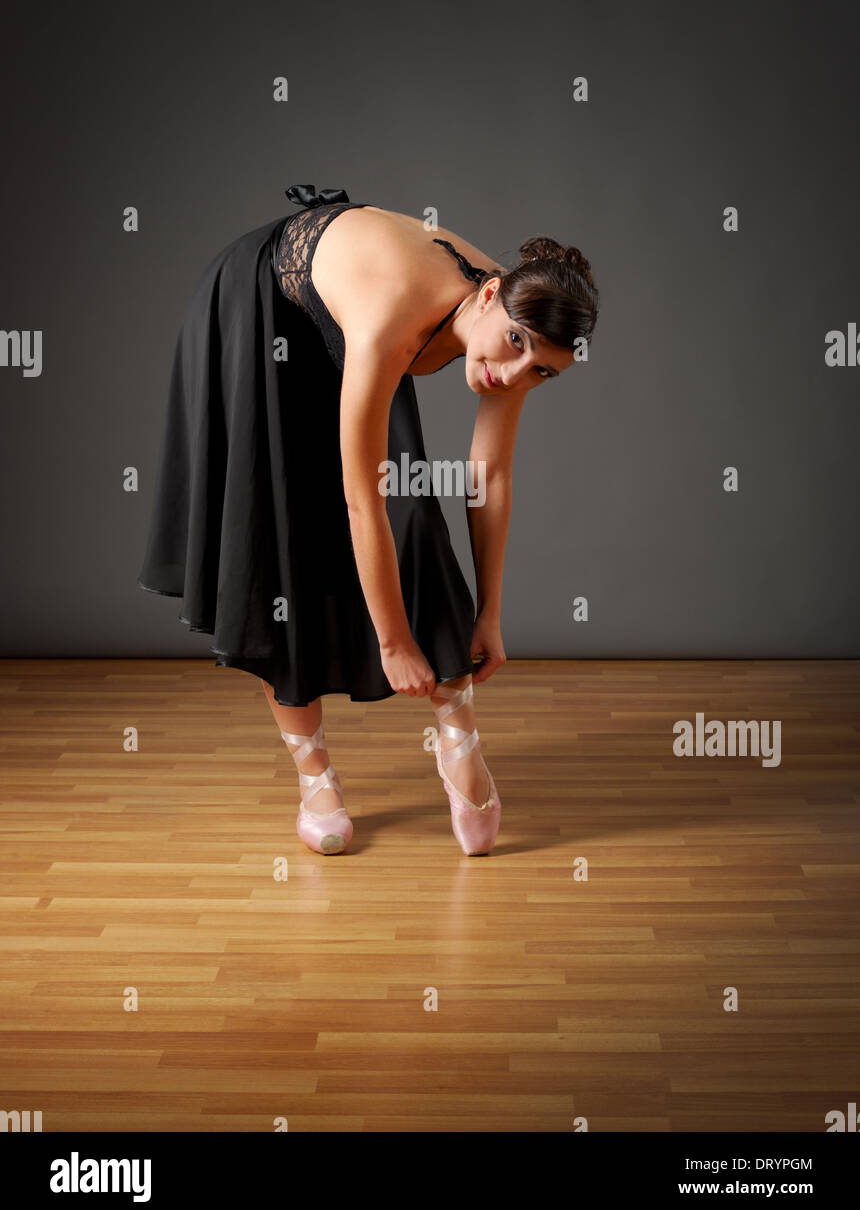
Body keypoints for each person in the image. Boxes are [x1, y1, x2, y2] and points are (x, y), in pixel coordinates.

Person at [137, 183, 599, 857]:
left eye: (543, 372)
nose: (515, 372)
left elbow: (488, 476)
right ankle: (314, 775)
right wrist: (391, 644)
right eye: (515, 344)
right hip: (261, 301)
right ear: (489, 294)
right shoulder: (397, 314)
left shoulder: (518, 337)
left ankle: (458, 735)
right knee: (282, 537)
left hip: (347, 308)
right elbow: (363, 498)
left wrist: (490, 615)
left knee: (418, 517)